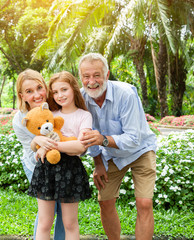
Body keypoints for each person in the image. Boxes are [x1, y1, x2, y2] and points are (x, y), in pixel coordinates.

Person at [78, 53, 157, 240]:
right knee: (105, 202)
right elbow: (89, 136)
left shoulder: (126, 94)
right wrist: (98, 163)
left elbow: (133, 139)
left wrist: (102, 139)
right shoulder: (81, 98)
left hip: (141, 150)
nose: (91, 81)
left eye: (97, 75)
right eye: (86, 76)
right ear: (80, 78)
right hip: (110, 155)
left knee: (144, 203)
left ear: (106, 75)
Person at [28, 71, 92, 240]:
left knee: (70, 223)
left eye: (64, 90)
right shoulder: (51, 114)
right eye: (55, 92)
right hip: (46, 169)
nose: (60, 95)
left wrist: (51, 145)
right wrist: (38, 141)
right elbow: (34, 145)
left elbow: (79, 146)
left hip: (70, 170)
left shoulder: (84, 116)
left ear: (74, 89)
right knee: (44, 223)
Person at [12, 69, 65, 240]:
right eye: (29, 91)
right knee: (47, 213)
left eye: (39, 88)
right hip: (36, 165)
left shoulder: (55, 107)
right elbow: (32, 149)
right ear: (22, 95)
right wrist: (38, 143)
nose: (36, 95)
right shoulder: (20, 119)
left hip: (63, 163)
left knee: (65, 211)